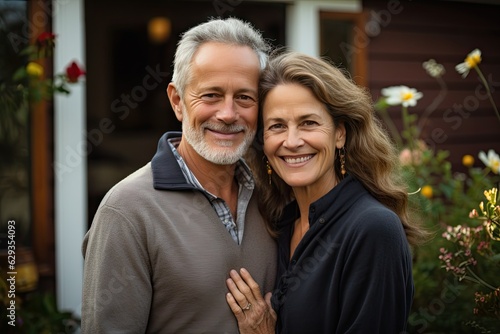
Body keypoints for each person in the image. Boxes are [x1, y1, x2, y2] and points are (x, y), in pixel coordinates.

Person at [81, 17, 277, 333]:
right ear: (177, 101)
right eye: (211, 95)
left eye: (244, 97)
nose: (228, 114)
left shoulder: (273, 195)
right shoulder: (127, 211)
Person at [225, 51, 428, 333]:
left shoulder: (373, 229)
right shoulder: (281, 223)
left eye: (308, 122)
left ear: (340, 134)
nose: (292, 141)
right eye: (277, 126)